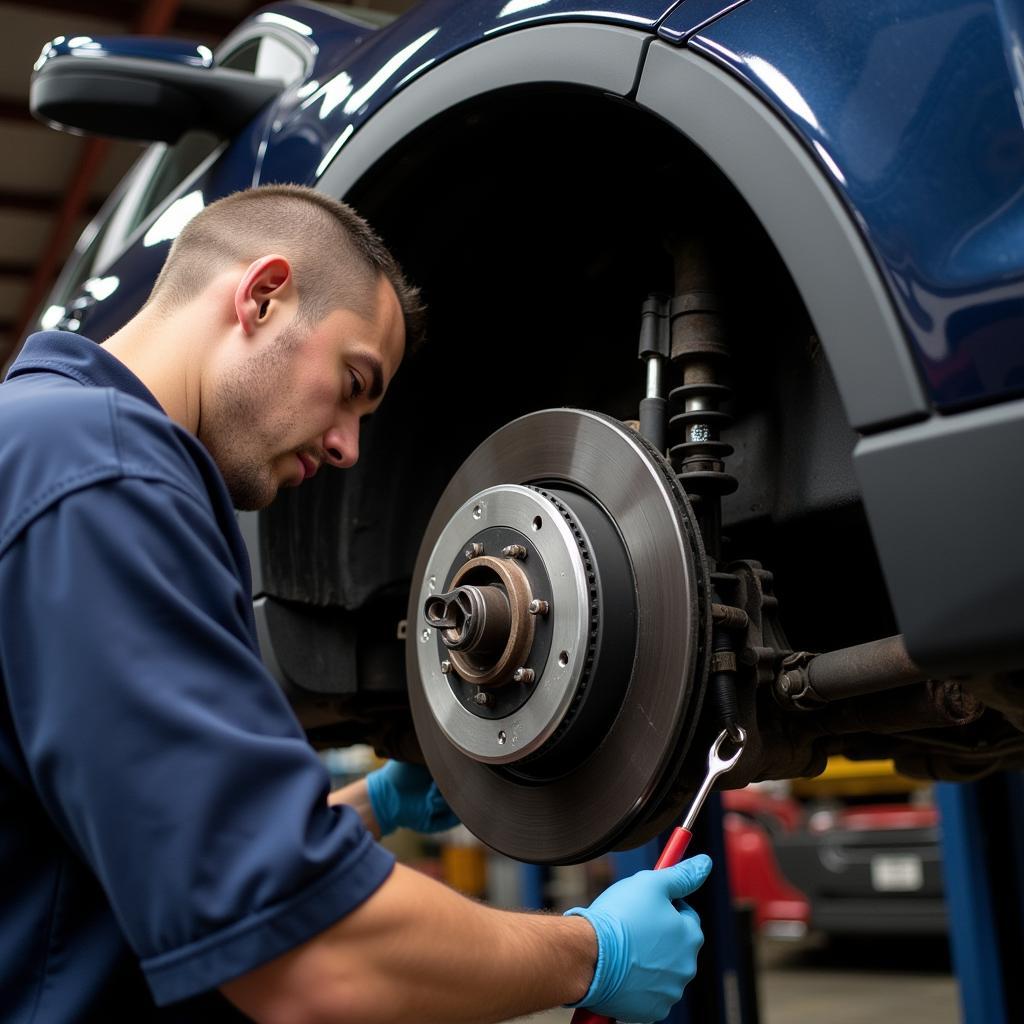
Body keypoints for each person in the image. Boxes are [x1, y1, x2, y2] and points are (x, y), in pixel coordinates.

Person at [0, 184, 710, 1023]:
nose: (347, 448)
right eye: (352, 382)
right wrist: (592, 954)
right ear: (262, 296)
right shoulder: (102, 478)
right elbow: (300, 959)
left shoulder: (47, 445)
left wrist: (369, 807)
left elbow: (155, 854)